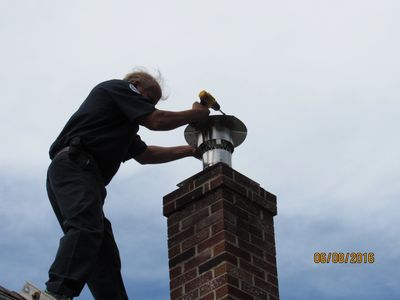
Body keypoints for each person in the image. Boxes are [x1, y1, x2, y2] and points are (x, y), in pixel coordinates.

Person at [44, 70, 210, 300]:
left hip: (81, 174)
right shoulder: (117, 88)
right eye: (147, 100)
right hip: (75, 166)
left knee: (102, 250)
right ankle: (56, 293)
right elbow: (155, 120)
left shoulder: (120, 122)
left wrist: (190, 151)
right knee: (86, 228)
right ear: (136, 85)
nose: (145, 106)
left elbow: (145, 154)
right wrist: (195, 115)